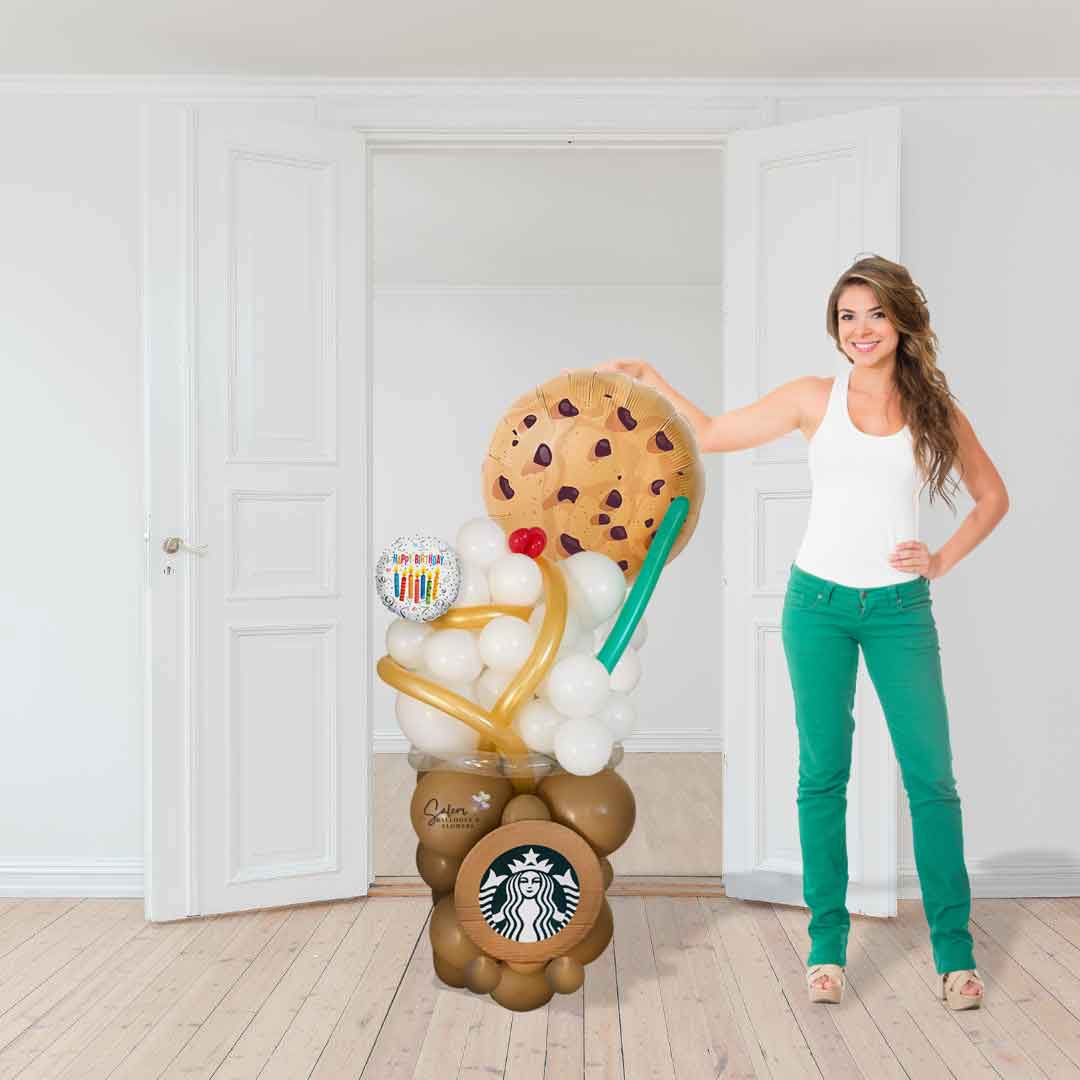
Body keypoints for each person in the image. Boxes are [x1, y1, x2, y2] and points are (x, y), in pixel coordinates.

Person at [595, 253, 1009, 1010]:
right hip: (814, 606)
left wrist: (940, 559)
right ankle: (827, 948)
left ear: (902, 320)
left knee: (932, 782)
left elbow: (992, 496)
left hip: (898, 612)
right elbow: (715, 433)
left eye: (875, 314)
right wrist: (658, 384)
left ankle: (954, 952)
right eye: (848, 316)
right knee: (823, 776)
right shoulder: (813, 398)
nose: (860, 329)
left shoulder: (933, 411)